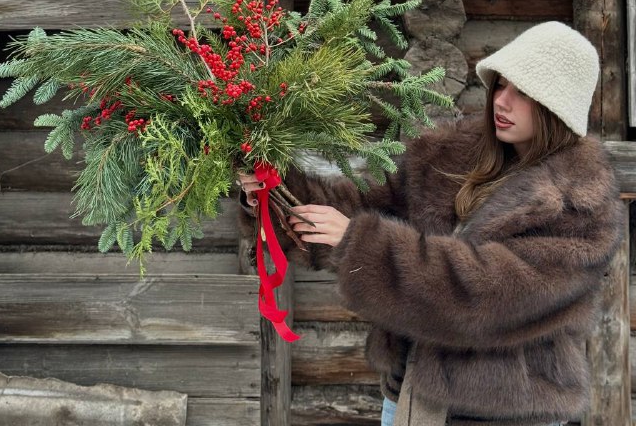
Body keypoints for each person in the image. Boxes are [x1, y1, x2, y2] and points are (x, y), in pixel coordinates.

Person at [239, 21, 623, 426]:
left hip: (508, 413)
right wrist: (272, 193)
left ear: (556, 105)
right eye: (501, 85)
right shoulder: (447, 155)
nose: (502, 101)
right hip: (409, 401)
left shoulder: (579, 208)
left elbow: (480, 294)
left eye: (523, 92)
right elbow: (363, 207)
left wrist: (358, 243)